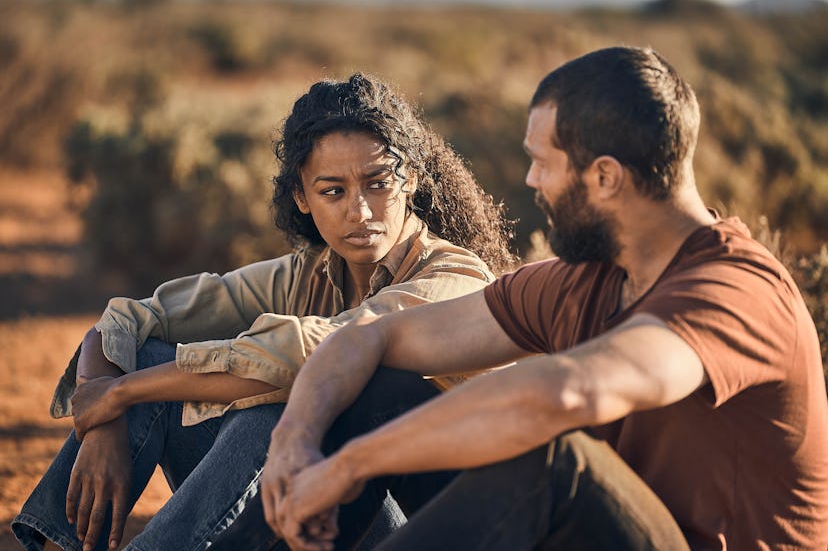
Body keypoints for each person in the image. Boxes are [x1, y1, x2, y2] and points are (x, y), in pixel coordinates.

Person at [258, 47, 828, 550]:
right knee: (387, 391)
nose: (530, 180)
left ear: (604, 177)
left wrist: (353, 465)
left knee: (555, 460)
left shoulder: (737, 290)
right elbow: (374, 335)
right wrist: (296, 439)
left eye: (544, 163)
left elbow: (571, 392)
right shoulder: (581, 280)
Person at [11, 73, 517, 551]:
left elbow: (311, 353)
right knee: (148, 357)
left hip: (435, 528)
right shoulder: (306, 274)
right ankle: (59, 542)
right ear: (302, 196)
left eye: (378, 184)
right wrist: (104, 420)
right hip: (313, 507)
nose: (359, 212)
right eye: (333, 191)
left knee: (278, 399)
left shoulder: (454, 280)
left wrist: (121, 391)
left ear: (411, 181)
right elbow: (127, 319)